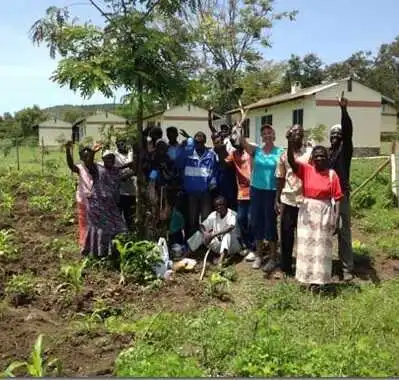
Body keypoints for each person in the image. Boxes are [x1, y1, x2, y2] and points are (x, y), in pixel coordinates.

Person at [287, 137, 343, 287]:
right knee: (307, 246)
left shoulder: (332, 175)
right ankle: (305, 277)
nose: (319, 158)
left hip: (324, 213)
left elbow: (337, 198)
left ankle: (319, 280)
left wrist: (336, 218)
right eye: (316, 155)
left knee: (321, 248)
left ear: (326, 158)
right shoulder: (306, 170)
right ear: (312, 158)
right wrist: (289, 142)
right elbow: (291, 162)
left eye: (322, 156)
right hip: (307, 212)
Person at [238, 124, 284, 271]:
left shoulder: (280, 152)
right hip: (256, 190)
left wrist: (279, 197)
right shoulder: (256, 151)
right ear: (261, 137)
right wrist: (240, 130)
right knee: (256, 222)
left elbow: (283, 174)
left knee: (270, 224)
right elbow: (243, 143)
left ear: (274, 135)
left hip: (272, 192)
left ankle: (272, 257)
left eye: (269, 132)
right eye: (264, 133)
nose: (267, 135)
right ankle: (258, 255)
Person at [275, 125, 311, 277]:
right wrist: (277, 199)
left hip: (305, 200)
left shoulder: (309, 153)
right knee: (286, 235)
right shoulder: (283, 155)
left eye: (299, 132)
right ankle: (285, 268)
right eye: (293, 132)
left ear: (303, 135)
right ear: (289, 135)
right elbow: (280, 177)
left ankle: (305, 267)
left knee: (305, 236)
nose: (296, 134)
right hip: (288, 200)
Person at [329, 95, 354, 281]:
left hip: (342, 196)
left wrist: (343, 110)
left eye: (338, 134)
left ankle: (346, 268)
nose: (336, 136)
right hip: (326, 198)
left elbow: (347, 130)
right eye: (333, 134)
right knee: (328, 230)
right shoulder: (326, 154)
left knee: (344, 231)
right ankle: (327, 265)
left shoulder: (345, 151)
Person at [176, 131, 219, 237]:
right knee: (192, 221)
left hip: (205, 193)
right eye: (196, 142)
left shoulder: (211, 155)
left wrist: (212, 187)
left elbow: (214, 172)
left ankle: (206, 244)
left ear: (204, 142)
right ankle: (193, 246)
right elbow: (177, 163)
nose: (198, 144)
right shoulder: (188, 154)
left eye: (200, 142)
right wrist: (182, 148)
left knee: (206, 221)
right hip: (191, 194)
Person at [222, 139, 255, 261]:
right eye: (232, 141)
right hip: (241, 192)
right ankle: (246, 245)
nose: (235, 142)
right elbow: (225, 163)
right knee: (241, 219)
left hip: (254, 190)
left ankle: (254, 248)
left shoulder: (250, 152)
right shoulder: (234, 154)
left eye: (237, 140)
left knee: (251, 220)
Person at [187, 196, 241, 266]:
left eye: (221, 205)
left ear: (225, 204)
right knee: (199, 234)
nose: (219, 207)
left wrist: (213, 235)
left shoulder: (232, 214)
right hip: (220, 246)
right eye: (216, 206)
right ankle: (186, 255)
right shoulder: (214, 214)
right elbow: (202, 225)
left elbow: (230, 227)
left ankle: (220, 262)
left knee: (227, 235)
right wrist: (205, 234)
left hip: (233, 246)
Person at [65, 141, 99, 252]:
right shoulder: (80, 168)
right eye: (84, 155)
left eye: (88, 154)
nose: (86, 157)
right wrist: (68, 151)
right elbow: (71, 165)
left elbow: (91, 165)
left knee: (94, 223)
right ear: (81, 157)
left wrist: (93, 153)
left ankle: (94, 244)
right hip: (83, 200)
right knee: (84, 224)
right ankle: (84, 244)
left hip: (95, 201)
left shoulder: (96, 167)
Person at [114, 138, 136, 231]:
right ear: (116, 144)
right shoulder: (114, 156)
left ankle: (130, 233)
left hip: (132, 190)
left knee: (130, 215)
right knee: (118, 214)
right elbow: (112, 170)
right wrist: (127, 166)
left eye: (124, 142)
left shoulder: (131, 154)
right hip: (120, 190)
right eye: (120, 143)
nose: (122, 144)